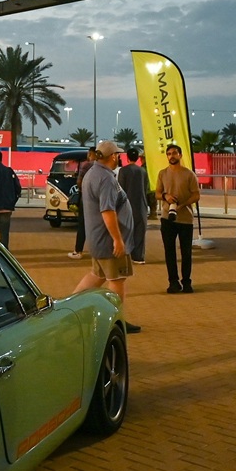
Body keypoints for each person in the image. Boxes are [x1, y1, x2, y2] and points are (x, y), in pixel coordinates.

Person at [71, 140, 139, 333]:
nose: (119, 158)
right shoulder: (105, 178)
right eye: (117, 155)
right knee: (117, 279)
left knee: (97, 275)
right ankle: (116, 322)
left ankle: (68, 309)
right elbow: (107, 211)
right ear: (112, 157)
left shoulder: (92, 173)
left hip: (97, 239)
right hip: (108, 241)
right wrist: (118, 239)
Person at [155, 144, 201, 294]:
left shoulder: (189, 174)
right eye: (169, 154)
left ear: (180, 155)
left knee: (186, 252)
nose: (171, 156)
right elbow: (157, 193)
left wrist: (182, 205)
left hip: (185, 219)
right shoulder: (162, 174)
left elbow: (196, 195)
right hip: (167, 218)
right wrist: (165, 197)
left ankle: (186, 282)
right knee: (169, 251)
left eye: (174, 153)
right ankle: (173, 282)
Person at [117, 149, 149, 263]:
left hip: (127, 206)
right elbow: (145, 189)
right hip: (141, 205)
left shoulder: (123, 171)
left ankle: (125, 254)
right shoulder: (143, 171)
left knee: (126, 231)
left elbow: (120, 189)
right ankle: (139, 256)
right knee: (140, 232)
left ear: (127, 158)